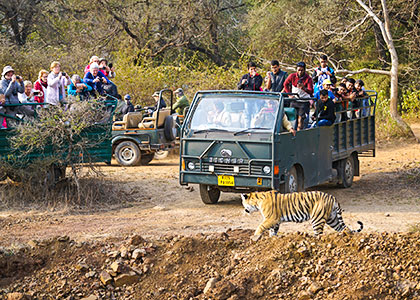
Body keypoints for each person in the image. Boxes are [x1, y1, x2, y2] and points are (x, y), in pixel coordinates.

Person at [283, 62, 314, 130]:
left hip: (303, 102)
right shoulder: (292, 76)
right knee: (291, 120)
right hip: (294, 100)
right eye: (298, 70)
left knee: (300, 121)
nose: (300, 72)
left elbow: (311, 91)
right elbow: (285, 84)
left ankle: (299, 134)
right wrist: (289, 94)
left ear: (304, 70)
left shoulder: (308, 78)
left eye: (301, 70)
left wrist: (303, 88)